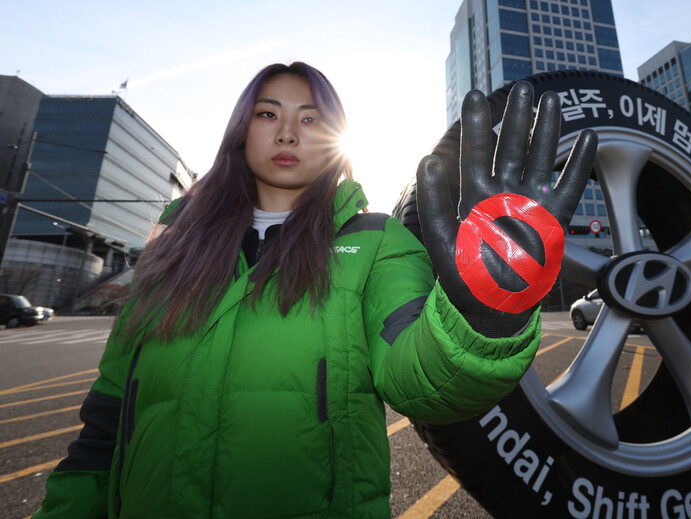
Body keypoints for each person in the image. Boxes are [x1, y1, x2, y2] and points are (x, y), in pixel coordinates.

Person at [32, 62, 597, 518]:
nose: (286, 131)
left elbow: (419, 378)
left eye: (309, 119)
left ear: (334, 140)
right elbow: (103, 430)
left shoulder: (377, 242)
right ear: (240, 130)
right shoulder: (171, 250)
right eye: (268, 113)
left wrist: (484, 315)